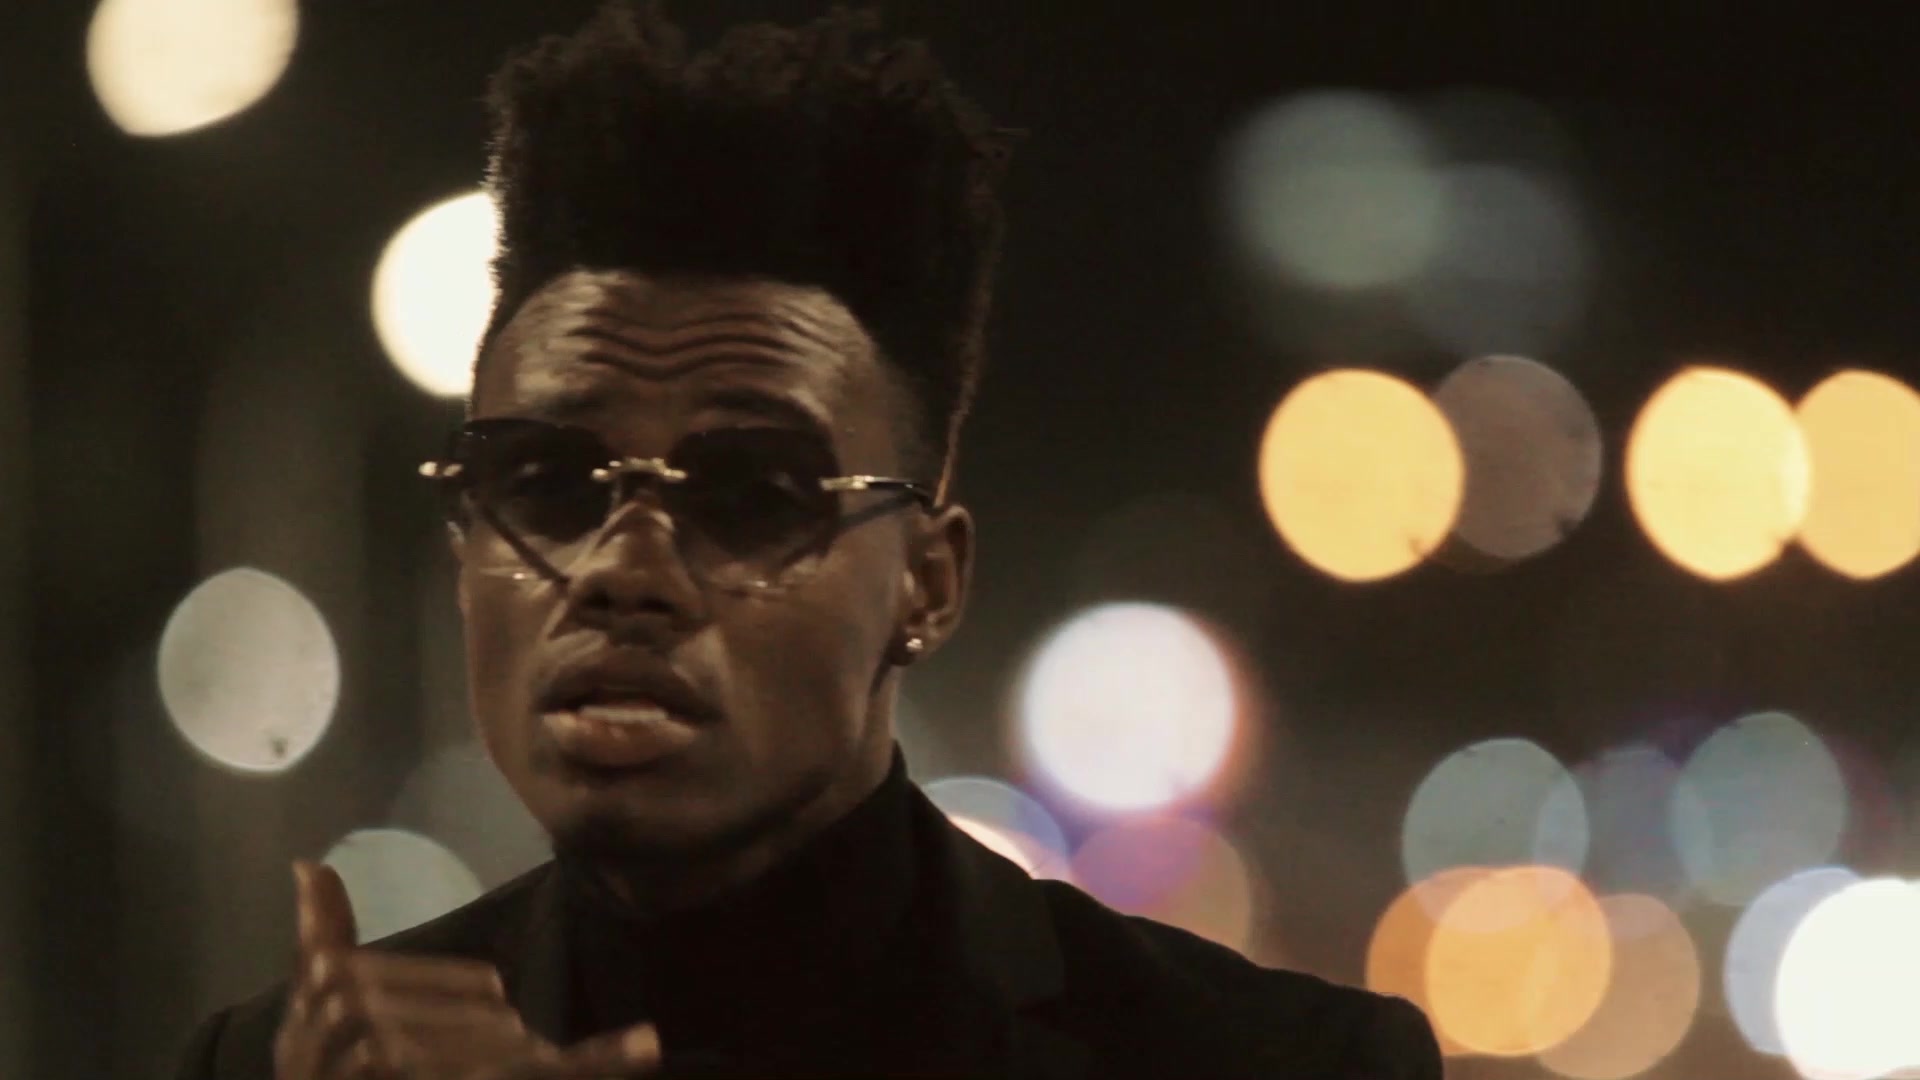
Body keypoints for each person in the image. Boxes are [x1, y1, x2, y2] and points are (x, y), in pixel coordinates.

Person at [175, 3, 1443, 1077]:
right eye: (548, 482)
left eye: (749, 495)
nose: (624, 570)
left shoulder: (1277, 1059)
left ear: (927, 583)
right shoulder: (280, 1062)